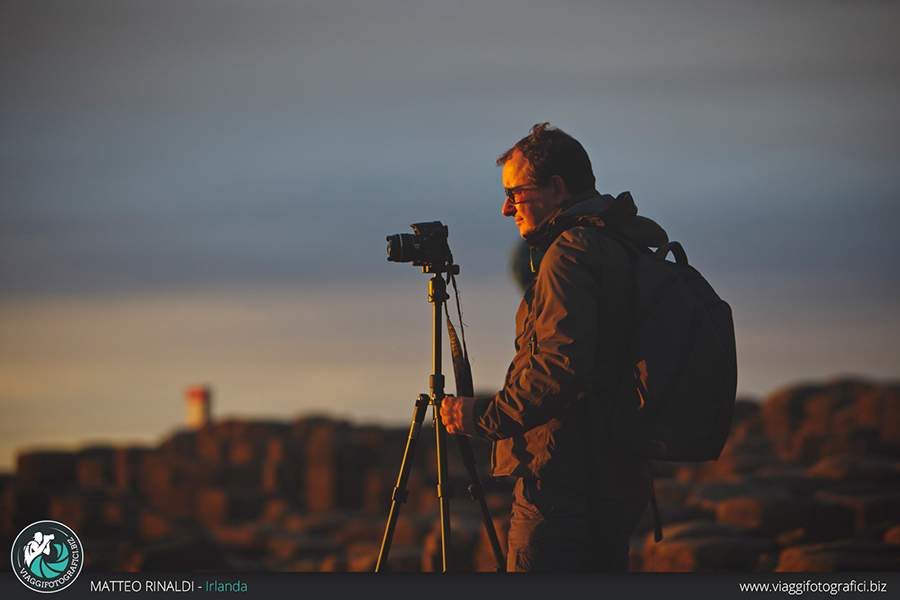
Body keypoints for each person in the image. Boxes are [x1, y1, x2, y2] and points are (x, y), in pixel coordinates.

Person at [441, 122, 670, 572]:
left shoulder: (570, 252)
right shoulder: (621, 243)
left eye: (516, 192)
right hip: (617, 474)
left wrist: (482, 417)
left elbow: (560, 368)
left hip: (561, 485)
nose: (507, 208)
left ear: (557, 188)